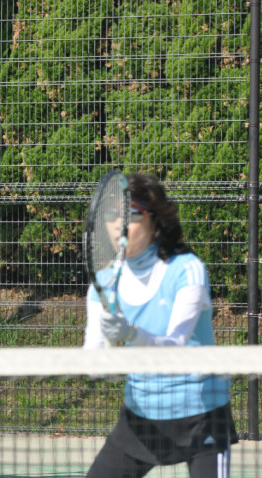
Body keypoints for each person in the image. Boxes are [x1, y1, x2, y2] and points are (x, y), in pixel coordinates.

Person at [83, 173, 237, 478]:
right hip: (142, 416)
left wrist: (130, 332)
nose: (119, 225)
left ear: (155, 221)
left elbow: (176, 345)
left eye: (131, 214)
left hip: (202, 415)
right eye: (112, 215)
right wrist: (104, 360)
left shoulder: (187, 270)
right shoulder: (103, 284)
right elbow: (93, 363)